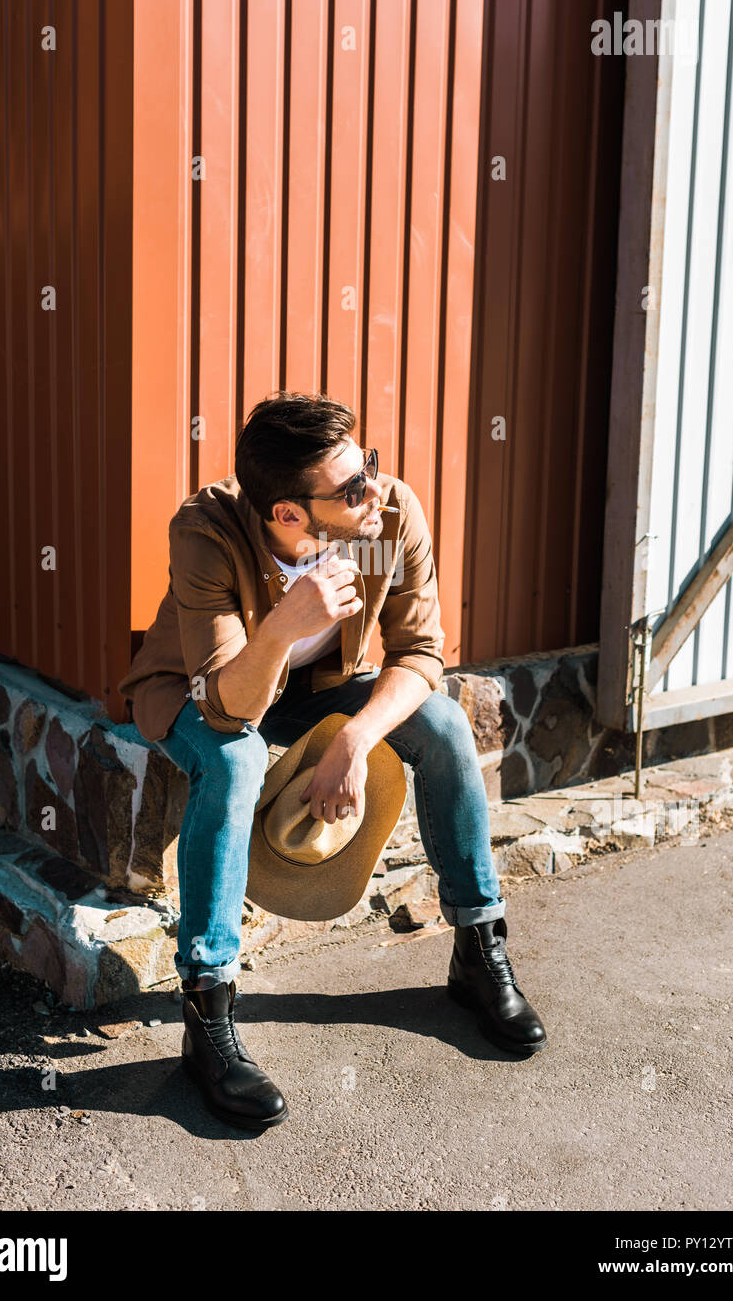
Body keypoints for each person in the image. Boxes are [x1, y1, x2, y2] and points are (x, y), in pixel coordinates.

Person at [119, 392, 546, 1130]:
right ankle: (207, 1012)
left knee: (442, 726)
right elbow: (226, 707)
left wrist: (354, 738)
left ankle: (478, 949)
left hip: (319, 690)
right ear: (288, 514)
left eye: (369, 466)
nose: (374, 490)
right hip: (203, 690)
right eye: (351, 488)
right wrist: (286, 623)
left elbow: (419, 656)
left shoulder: (384, 520)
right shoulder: (206, 532)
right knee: (234, 762)